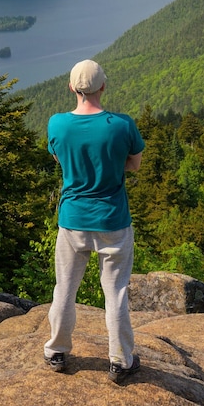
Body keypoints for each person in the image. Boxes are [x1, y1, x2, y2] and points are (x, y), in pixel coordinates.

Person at [43, 59, 145, 383]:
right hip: (113, 220)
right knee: (114, 293)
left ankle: (57, 350)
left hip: (73, 220)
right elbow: (135, 165)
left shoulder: (57, 125)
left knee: (65, 289)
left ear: (72, 88)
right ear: (103, 87)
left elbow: (60, 159)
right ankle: (120, 360)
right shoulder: (122, 125)